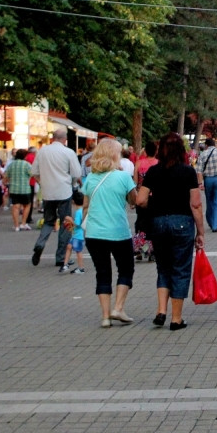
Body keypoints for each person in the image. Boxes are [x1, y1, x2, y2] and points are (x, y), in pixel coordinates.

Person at [136, 133, 204, 331]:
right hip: (182, 222)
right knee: (180, 269)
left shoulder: (153, 171)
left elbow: (140, 200)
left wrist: (152, 205)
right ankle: (176, 318)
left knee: (163, 267)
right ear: (182, 150)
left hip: (158, 223)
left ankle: (161, 311)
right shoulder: (188, 172)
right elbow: (196, 204)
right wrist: (200, 232)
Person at [81, 138, 136, 328]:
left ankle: (105, 316)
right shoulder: (123, 177)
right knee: (126, 269)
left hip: (94, 233)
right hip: (118, 231)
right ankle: (118, 308)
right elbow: (134, 200)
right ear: (115, 155)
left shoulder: (90, 178)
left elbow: (85, 206)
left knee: (102, 272)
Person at [31, 128, 83, 266]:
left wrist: (42, 183)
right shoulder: (68, 152)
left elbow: (34, 171)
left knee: (48, 221)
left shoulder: (42, 151)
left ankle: (40, 243)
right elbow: (76, 173)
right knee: (66, 223)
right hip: (64, 192)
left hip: (48, 192)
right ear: (65, 139)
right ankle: (61, 257)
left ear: (53, 138)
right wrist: (73, 183)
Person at [132, 140, 158, 262]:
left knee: (140, 223)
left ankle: (140, 249)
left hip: (141, 197)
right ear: (156, 151)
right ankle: (152, 251)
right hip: (155, 198)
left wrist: (134, 198)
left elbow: (135, 182)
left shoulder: (139, 163)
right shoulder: (159, 163)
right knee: (153, 224)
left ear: (145, 151)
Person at [196, 139, 217, 234]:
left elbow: (199, 170)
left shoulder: (203, 154)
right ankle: (216, 225)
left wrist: (200, 183)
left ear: (206, 145)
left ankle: (210, 222)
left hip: (208, 180)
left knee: (209, 201)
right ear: (214, 144)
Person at [4, 149, 33, 231]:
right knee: (27, 205)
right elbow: (32, 174)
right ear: (24, 156)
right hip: (25, 188)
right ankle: (23, 223)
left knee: (15, 207)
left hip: (14, 189)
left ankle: (16, 225)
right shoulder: (27, 164)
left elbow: (6, 176)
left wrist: (6, 182)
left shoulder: (11, 165)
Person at [60, 190, 86, 275]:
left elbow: (77, 224)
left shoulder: (78, 212)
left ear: (73, 202)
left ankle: (81, 268)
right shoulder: (81, 211)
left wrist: (70, 219)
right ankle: (65, 265)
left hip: (78, 236)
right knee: (69, 247)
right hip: (75, 235)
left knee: (78, 251)